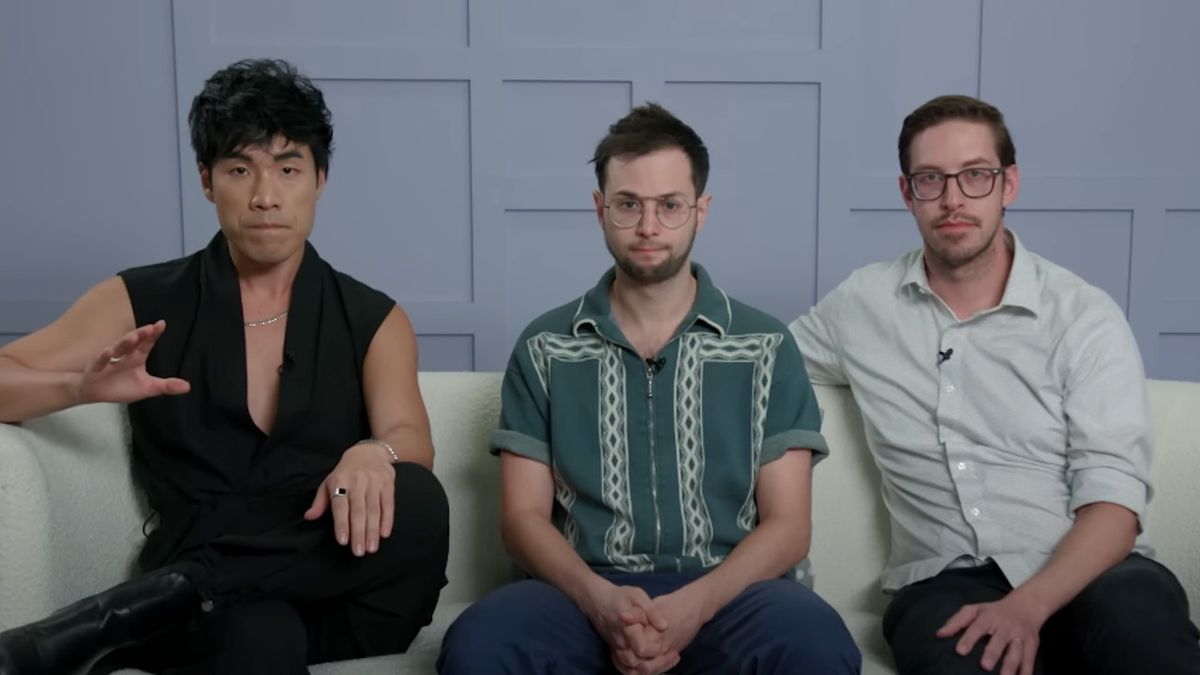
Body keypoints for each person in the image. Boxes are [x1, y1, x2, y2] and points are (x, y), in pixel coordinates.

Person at [0, 58, 449, 675]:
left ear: (320, 179)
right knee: (256, 637)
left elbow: (411, 438)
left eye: (288, 169)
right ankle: (167, 600)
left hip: (344, 584)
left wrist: (375, 452)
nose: (266, 197)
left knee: (420, 495)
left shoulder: (373, 317)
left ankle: (110, 618)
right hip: (217, 607)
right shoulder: (139, 299)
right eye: (241, 170)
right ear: (208, 181)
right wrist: (76, 387)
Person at [437, 103, 861, 675]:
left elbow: (788, 526)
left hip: (732, 594)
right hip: (580, 591)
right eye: (628, 204)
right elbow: (522, 519)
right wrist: (601, 601)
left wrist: (695, 604)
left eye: (669, 206)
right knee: (480, 644)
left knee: (814, 643)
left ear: (700, 211)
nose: (648, 227)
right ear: (600, 209)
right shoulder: (545, 346)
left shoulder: (765, 345)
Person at [790, 94, 1200, 675]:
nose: (953, 198)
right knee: (957, 655)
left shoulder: (1082, 315)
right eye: (931, 179)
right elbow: (761, 364)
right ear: (907, 194)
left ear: (1008, 184)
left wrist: (1026, 607)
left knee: (1140, 625)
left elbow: (1114, 501)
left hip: (1094, 571)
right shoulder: (861, 305)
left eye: (975, 176)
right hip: (942, 583)